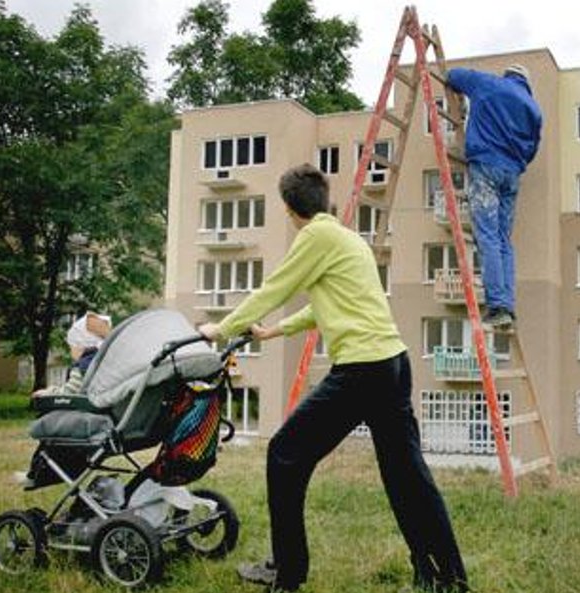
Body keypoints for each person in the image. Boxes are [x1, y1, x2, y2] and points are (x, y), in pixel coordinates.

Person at [198, 164, 468, 593]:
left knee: (285, 453)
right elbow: (327, 304)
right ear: (323, 201)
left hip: (362, 370)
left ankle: (286, 573)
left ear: (290, 209)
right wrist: (273, 331)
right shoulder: (347, 238)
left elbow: (275, 288)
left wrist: (222, 328)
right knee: (406, 474)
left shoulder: (316, 237)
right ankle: (444, 576)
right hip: (393, 364)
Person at [446, 63, 542, 328]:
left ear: (508, 75)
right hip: (512, 175)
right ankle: (507, 306)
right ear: (526, 82)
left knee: (487, 235)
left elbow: (453, 76)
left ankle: (497, 304)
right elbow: (532, 150)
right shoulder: (533, 108)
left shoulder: (488, 84)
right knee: (502, 239)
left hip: (486, 167)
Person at [33, 312, 111, 396]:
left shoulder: (85, 364)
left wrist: (49, 392)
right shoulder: (106, 361)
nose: (71, 351)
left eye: (72, 346)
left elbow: (69, 392)